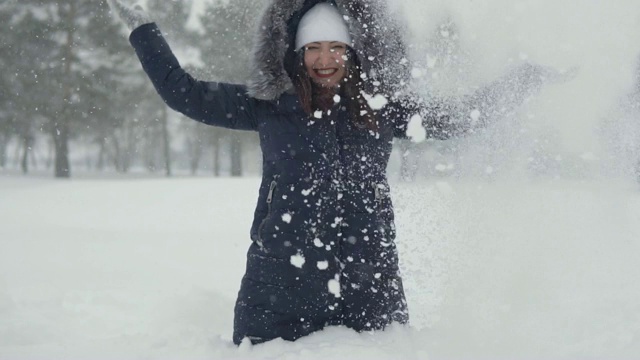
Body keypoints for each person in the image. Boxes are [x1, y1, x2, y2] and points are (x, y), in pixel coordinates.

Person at [107, 0, 565, 345]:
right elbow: (185, 94)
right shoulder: (267, 105)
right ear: (294, 51)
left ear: (354, 51)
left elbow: (459, 117)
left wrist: (522, 81)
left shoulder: (382, 108)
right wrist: (142, 30)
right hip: (279, 284)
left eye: (336, 47)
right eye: (313, 48)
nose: (324, 59)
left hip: (369, 281)